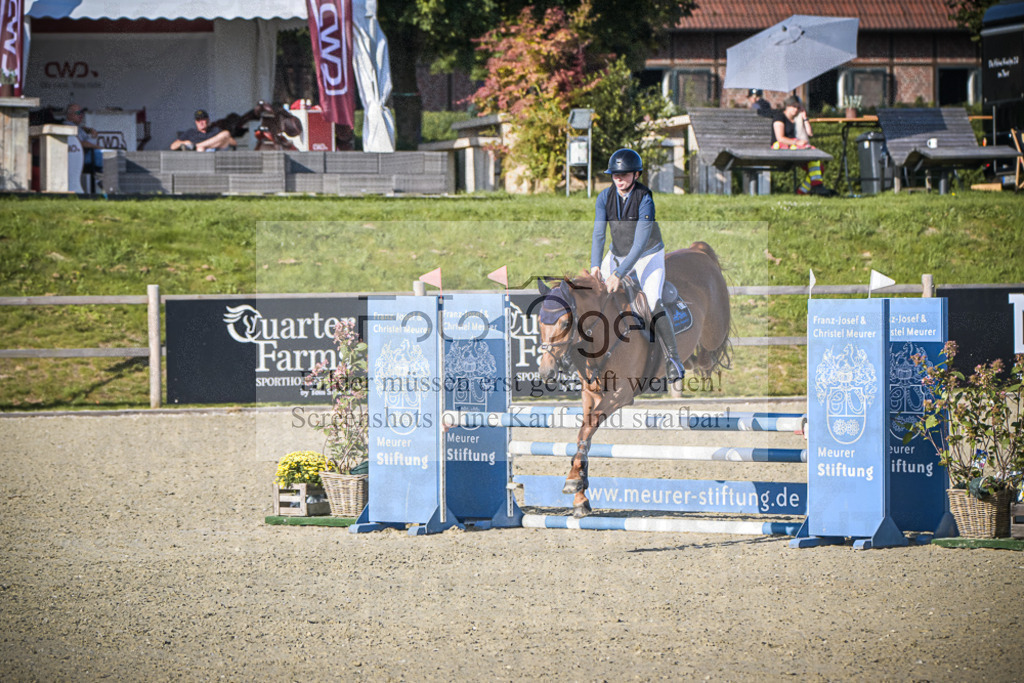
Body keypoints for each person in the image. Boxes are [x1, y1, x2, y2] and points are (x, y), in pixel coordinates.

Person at [591, 148, 684, 382]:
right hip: (617, 253)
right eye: (615, 175)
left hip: (647, 255)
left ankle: (673, 358)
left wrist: (619, 274)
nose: (619, 179)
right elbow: (599, 234)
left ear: (636, 175)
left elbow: (640, 243)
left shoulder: (645, 199)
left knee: (652, 301)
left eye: (624, 175)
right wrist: (595, 264)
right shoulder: (604, 197)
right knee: (597, 293)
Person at [771, 95, 828, 195]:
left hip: (794, 149)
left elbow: (810, 134)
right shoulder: (779, 117)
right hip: (780, 148)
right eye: (793, 106)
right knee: (814, 165)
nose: (796, 109)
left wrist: (805, 118)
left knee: (819, 167)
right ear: (787, 106)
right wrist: (797, 143)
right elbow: (780, 138)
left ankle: (802, 191)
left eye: (798, 107)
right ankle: (816, 187)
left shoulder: (797, 119)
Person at [170, 109, 236, 151]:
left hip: (215, 158)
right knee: (200, 149)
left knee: (226, 133)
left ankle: (199, 145)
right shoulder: (190, 132)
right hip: (199, 160)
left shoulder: (215, 130)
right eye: (198, 120)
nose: (201, 122)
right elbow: (173, 146)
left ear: (208, 120)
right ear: (195, 122)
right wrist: (185, 142)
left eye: (203, 119)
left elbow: (234, 143)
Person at [65, 104, 103, 174]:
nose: (81, 115)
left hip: (86, 154)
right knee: (106, 156)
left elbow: (82, 129)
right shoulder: (68, 127)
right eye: (78, 113)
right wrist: (98, 147)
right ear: (70, 115)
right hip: (80, 156)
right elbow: (79, 143)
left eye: (82, 113)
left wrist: (89, 130)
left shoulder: (76, 126)